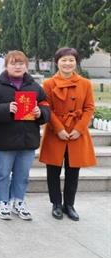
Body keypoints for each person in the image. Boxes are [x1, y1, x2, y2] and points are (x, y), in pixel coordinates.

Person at [0, 50, 50, 221]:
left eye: (21, 63)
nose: (18, 66)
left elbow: (46, 106)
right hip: (3, 139)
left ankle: (18, 201)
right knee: (2, 174)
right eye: (13, 63)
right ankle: (2, 202)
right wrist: (6, 108)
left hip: (27, 139)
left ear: (26, 66)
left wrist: (40, 112)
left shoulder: (35, 87)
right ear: (6, 66)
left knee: (22, 174)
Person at [39, 47, 96, 221]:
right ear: (57, 62)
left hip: (77, 133)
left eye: (71, 60)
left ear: (76, 62)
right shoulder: (49, 84)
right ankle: (56, 204)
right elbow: (47, 108)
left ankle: (69, 205)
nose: (67, 63)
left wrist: (79, 129)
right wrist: (59, 129)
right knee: (53, 171)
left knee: (73, 171)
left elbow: (89, 108)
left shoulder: (85, 84)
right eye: (63, 60)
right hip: (55, 132)